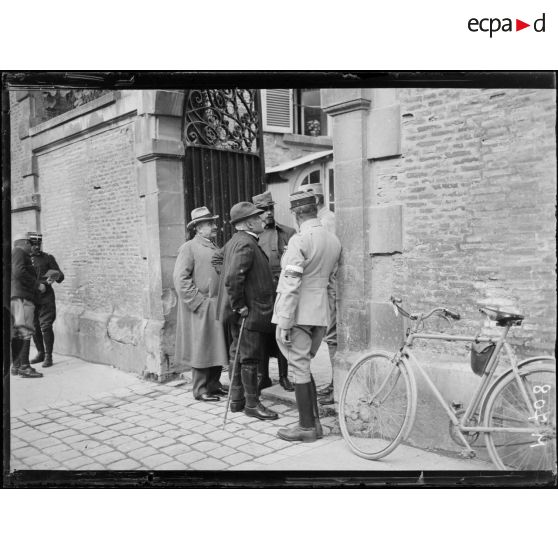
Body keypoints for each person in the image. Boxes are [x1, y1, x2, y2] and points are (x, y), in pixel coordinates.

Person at [273, 190, 341, 442]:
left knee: (298, 368)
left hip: (298, 313)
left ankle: (306, 428)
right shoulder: (332, 240)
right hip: (320, 313)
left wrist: (284, 320)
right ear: (314, 210)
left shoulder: (299, 240)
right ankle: (315, 424)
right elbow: (332, 283)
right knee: (304, 364)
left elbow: (291, 282)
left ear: (296, 214)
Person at [215, 201, 278, 421]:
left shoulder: (237, 241)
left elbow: (223, 265)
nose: (263, 220)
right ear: (249, 222)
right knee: (249, 357)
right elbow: (233, 278)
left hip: (240, 310)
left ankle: (237, 400)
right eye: (258, 217)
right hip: (248, 311)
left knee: (237, 353)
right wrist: (239, 304)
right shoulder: (246, 244)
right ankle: (252, 404)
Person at [173, 207, 229, 402]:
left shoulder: (212, 246)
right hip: (201, 306)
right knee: (201, 347)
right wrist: (198, 302)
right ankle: (200, 389)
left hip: (214, 304)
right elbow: (180, 279)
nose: (214, 227)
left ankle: (214, 384)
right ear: (198, 227)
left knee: (215, 346)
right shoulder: (189, 247)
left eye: (213, 223)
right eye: (209, 224)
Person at [252, 191, 296, 392]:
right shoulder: (253, 236)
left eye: (270, 208)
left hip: (282, 291)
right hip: (261, 293)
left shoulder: (288, 232)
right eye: (263, 210)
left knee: (283, 331)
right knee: (262, 335)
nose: (268, 213)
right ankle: (263, 376)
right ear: (256, 213)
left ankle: (285, 376)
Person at [299, 183, 337, 404]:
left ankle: (336, 386)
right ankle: (335, 384)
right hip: (326, 287)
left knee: (331, 337)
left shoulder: (326, 220)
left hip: (328, 288)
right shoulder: (323, 218)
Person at [27, 232, 64, 368]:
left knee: (46, 326)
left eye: (38, 244)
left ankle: (49, 355)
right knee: (34, 326)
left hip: (45, 297)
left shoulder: (47, 258)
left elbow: (60, 275)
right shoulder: (24, 259)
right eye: (33, 244)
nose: (36, 247)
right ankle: (40, 353)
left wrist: (49, 280)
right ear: (28, 244)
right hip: (30, 297)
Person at [11, 234, 45, 378]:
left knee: (19, 331)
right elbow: (19, 272)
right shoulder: (19, 251)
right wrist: (37, 284)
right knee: (25, 330)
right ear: (25, 242)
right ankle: (24, 367)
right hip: (23, 297)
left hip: (18, 297)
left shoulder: (16, 253)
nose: (32, 247)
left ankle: (17, 366)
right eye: (31, 244)